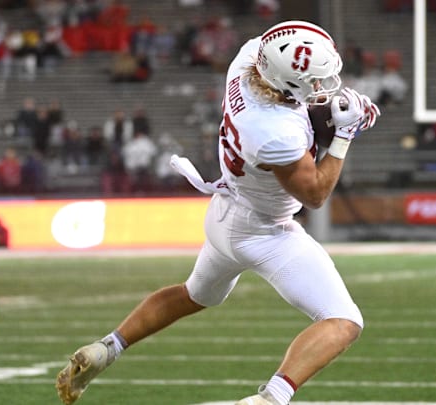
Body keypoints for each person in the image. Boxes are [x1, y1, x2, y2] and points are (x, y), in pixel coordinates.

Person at [55, 20, 380, 405]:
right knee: (344, 320)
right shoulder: (275, 131)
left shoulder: (247, 61)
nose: (323, 87)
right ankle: (269, 399)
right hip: (264, 231)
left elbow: (290, 76)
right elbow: (315, 193)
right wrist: (343, 135)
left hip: (225, 214)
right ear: (286, 82)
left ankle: (107, 347)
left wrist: (329, 112)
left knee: (195, 294)